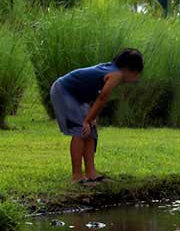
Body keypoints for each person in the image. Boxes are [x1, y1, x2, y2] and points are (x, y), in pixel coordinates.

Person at [50, 49, 144, 184]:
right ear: (131, 70)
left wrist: (92, 118)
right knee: (80, 130)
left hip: (77, 97)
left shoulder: (112, 69)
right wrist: (87, 120)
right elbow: (102, 98)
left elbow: (94, 93)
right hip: (64, 91)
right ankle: (77, 176)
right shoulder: (116, 75)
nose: (137, 78)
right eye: (137, 74)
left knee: (91, 132)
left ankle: (91, 173)